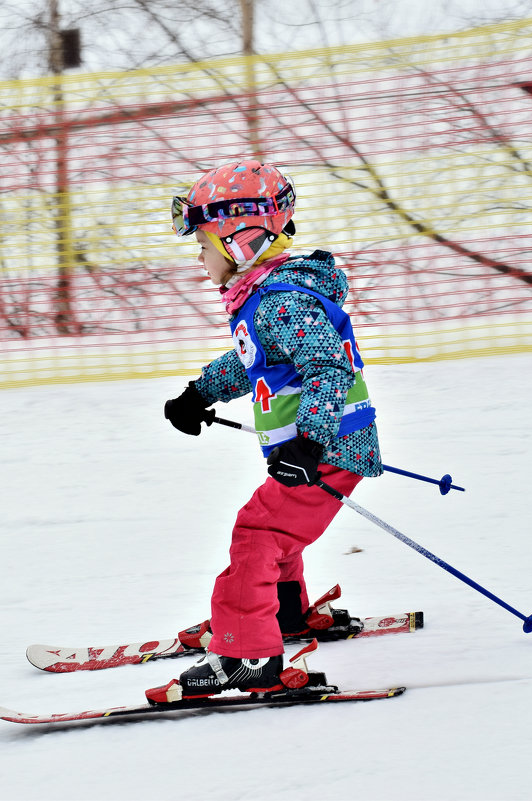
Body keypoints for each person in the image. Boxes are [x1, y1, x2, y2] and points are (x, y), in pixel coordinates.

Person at [149, 160, 382, 701]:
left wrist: (308, 438)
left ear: (243, 242)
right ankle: (285, 615)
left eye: (204, 245)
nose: (200, 259)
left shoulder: (280, 303)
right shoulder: (268, 299)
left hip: (325, 449)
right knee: (274, 534)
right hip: (325, 448)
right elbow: (250, 360)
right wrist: (198, 394)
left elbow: (329, 369)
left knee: (255, 535)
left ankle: (246, 654)